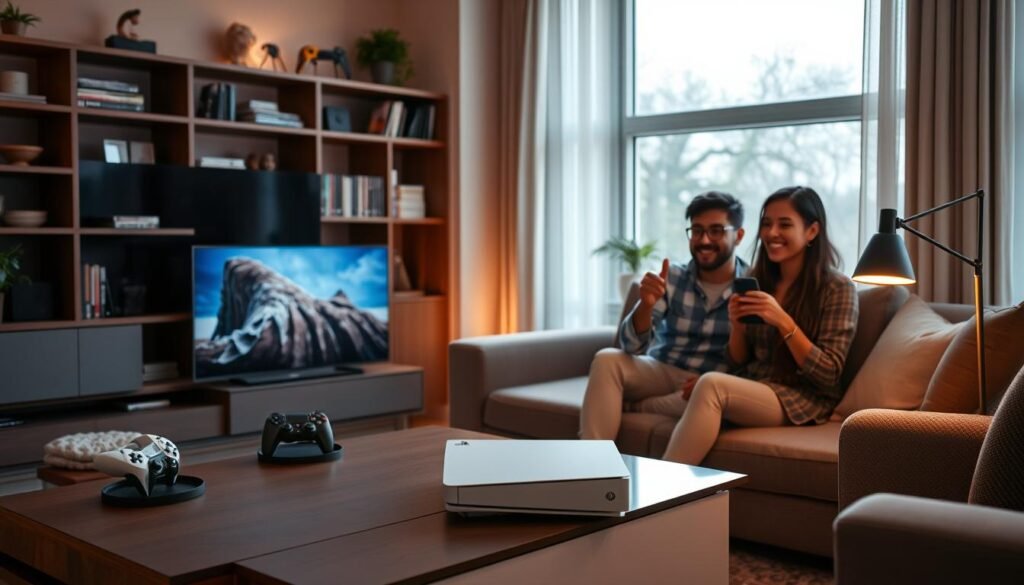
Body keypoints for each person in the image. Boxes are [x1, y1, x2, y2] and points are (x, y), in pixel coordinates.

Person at [660, 186, 858, 465]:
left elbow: (829, 373)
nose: (771, 233)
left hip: (802, 397)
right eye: (766, 224)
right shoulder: (758, 279)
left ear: (812, 231)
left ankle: (666, 484)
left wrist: (782, 321)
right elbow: (739, 360)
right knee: (701, 387)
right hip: (754, 385)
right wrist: (737, 326)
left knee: (712, 385)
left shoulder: (837, 288)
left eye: (784, 225)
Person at [580, 191, 748, 441]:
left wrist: (713, 382)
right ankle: (594, 462)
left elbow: (752, 360)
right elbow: (631, 347)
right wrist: (645, 306)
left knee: (711, 398)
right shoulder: (672, 277)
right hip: (661, 369)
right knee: (607, 359)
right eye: (697, 231)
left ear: (739, 235)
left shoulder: (751, 285)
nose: (704, 240)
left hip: (708, 382)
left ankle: (637, 406)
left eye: (716, 231)